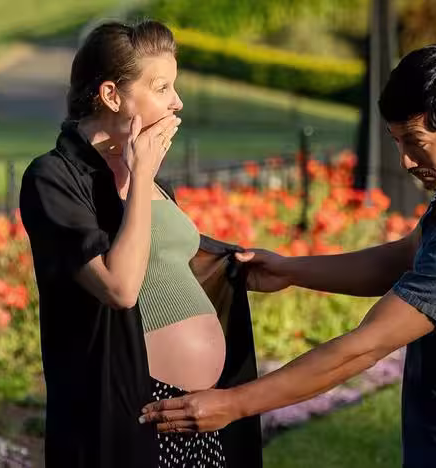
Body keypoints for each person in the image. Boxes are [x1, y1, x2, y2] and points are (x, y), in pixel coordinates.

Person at [141, 44, 436, 468]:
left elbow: (367, 347)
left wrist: (234, 404)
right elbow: (404, 256)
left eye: (416, 143)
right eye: (396, 141)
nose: (405, 161)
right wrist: (290, 270)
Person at [18, 20, 263, 468]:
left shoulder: (144, 169)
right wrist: (142, 173)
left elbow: (170, 258)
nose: (177, 101)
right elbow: (120, 287)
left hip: (201, 412)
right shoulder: (53, 177)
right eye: (162, 87)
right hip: (137, 412)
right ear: (112, 95)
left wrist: (244, 264)